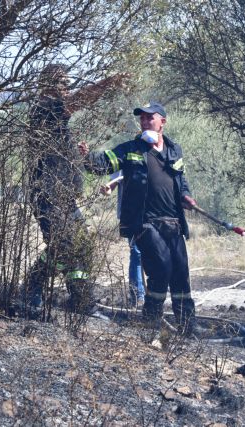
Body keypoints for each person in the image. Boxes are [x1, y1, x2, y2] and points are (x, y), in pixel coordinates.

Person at [80, 101, 198, 334]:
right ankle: (151, 321)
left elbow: (181, 182)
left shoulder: (175, 150)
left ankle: (187, 326)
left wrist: (186, 196)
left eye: (149, 117)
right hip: (144, 222)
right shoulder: (131, 149)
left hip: (174, 222)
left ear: (162, 121)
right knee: (161, 267)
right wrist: (86, 158)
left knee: (181, 274)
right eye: (141, 118)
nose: (144, 121)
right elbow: (104, 163)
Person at [24, 64, 126, 318]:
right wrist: (107, 83)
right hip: (48, 196)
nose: (66, 89)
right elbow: (79, 100)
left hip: (64, 198)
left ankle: (81, 302)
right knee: (62, 246)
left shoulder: (55, 120)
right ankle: (31, 292)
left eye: (67, 83)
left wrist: (76, 152)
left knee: (78, 247)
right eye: (62, 83)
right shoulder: (45, 109)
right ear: (47, 85)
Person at [101, 172, 145, 307]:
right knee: (137, 253)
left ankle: (152, 295)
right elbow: (112, 185)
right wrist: (107, 189)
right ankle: (138, 296)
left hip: (152, 212)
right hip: (130, 215)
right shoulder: (124, 153)